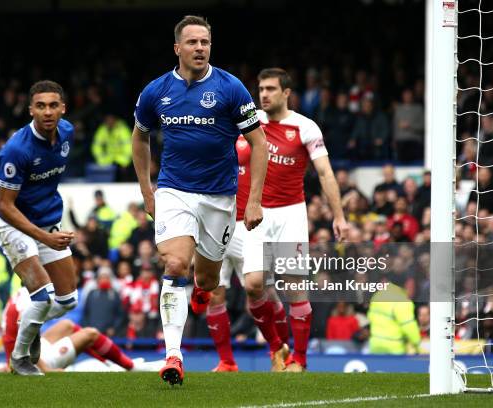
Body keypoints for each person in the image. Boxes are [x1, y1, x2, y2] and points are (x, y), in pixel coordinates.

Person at [132, 15, 268, 385]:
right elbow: (139, 137)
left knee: (207, 280)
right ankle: (173, 355)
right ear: (177, 48)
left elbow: (259, 143)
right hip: (174, 190)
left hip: (219, 198)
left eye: (205, 42)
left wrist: (253, 200)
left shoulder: (231, 88)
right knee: (175, 263)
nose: (200, 49)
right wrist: (147, 190)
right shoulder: (156, 91)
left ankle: (200, 294)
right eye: (192, 43)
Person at [206, 68, 348, 372]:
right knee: (254, 285)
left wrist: (338, 215)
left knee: (295, 287)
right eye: (261, 89)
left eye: (271, 89)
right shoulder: (248, 122)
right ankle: (277, 348)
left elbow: (324, 172)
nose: (264, 94)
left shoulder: (304, 127)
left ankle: (300, 360)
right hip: (255, 214)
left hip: (290, 213)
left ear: (286, 93)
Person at [0, 80, 78, 376]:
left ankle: (30, 326)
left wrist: (49, 229)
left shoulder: (67, 133)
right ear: (31, 110)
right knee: (42, 295)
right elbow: (4, 205)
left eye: (53, 105)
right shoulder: (16, 150)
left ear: (63, 109)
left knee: (68, 300)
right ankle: (19, 359)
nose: (47, 112)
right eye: (40, 106)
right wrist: (44, 237)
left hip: (46, 222)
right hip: (12, 223)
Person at [2, 287, 162, 373]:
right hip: (30, 363)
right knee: (90, 334)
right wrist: (47, 370)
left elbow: (12, 338)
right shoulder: (26, 300)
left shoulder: (20, 293)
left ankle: (108, 362)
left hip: (20, 357)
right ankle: (130, 367)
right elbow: (24, 332)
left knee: (67, 325)